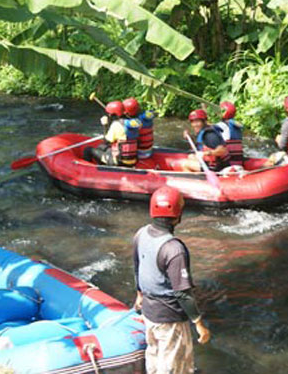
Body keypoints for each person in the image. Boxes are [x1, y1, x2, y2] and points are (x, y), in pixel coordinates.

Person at [133, 186, 211, 374]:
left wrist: (139, 294)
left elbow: (137, 266)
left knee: (154, 359)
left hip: (149, 312)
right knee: (175, 368)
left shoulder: (141, 233)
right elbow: (183, 293)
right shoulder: (174, 249)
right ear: (178, 215)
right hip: (170, 319)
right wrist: (199, 324)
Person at [83, 100, 141, 166]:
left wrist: (105, 125)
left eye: (110, 114)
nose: (109, 115)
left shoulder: (116, 125)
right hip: (133, 160)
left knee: (88, 150)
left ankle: (90, 169)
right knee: (102, 147)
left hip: (119, 161)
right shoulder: (135, 124)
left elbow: (106, 141)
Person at [214, 101, 244, 167]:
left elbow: (208, 129)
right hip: (238, 161)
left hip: (228, 162)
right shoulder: (235, 125)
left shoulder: (222, 125)